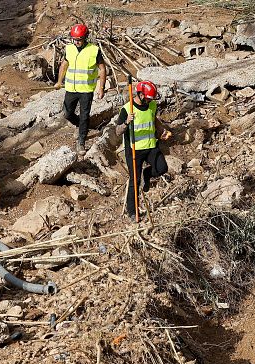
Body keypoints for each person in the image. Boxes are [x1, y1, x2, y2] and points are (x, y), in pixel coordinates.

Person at [115, 80, 172, 218]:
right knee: (135, 181)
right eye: (147, 98)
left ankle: (147, 174)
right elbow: (117, 131)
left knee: (162, 168)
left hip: (151, 146)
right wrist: (127, 122)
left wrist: (162, 130)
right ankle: (132, 211)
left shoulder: (151, 105)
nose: (149, 101)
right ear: (140, 94)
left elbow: (153, 119)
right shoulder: (127, 109)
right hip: (134, 150)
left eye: (150, 99)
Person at [53, 23, 107, 154]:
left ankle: (81, 142)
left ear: (85, 37)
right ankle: (82, 126)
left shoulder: (94, 50)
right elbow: (64, 65)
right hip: (71, 88)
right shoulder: (69, 49)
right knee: (67, 113)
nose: (76, 42)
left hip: (86, 90)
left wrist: (101, 88)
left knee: (84, 116)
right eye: (74, 39)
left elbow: (102, 68)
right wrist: (59, 81)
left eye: (79, 39)